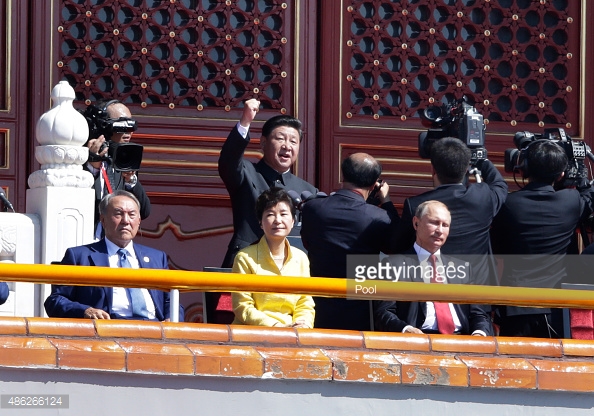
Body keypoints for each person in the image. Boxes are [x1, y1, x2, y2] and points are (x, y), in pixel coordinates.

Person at [215, 99, 317, 323]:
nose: (287, 146)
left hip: (290, 273)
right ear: (262, 143)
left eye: (293, 141)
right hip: (246, 267)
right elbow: (228, 162)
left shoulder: (308, 191)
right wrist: (245, 121)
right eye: (280, 138)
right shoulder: (247, 173)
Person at [491, 139, 593, 338]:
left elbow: (497, 248)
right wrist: (580, 173)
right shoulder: (571, 201)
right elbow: (589, 196)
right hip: (557, 306)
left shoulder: (509, 204)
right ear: (562, 173)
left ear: (524, 168)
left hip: (516, 307)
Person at [44, 190, 182, 321]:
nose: (126, 220)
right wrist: (85, 311)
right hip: (106, 329)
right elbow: (55, 301)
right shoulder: (79, 256)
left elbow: (171, 301)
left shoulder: (157, 257)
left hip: (154, 330)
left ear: (139, 221)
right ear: (103, 220)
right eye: (118, 214)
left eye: (132, 214)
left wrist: (172, 319)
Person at [300, 153, 399, 331]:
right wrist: (387, 202)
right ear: (374, 183)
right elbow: (395, 246)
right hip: (360, 310)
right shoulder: (379, 216)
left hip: (317, 304)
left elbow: (307, 242)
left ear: (342, 174)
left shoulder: (313, 208)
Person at [391, 137, 508, 286]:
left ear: (433, 169)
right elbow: (500, 185)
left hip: (432, 289)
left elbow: (397, 245)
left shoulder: (416, 205)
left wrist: (387, 203)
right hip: (478, 296)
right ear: (466, 169)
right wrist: (482, 160)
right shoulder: (483, 197)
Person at [374, 201, 493, 336]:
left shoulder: (462, 268)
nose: (440, 230)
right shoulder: (392, 265)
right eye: (434, 223)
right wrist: (406, 329)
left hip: (461, 340)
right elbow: (384, 312)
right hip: (417, 340)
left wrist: (478, 334)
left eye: (445, 225)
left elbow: (478, 314)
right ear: (416, 223)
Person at [231, 187, 315, 328]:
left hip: (293, 332)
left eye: (283, 214)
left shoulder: (301, 258)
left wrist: (303, 325)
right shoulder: (245, 258)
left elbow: (305, 303)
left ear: (293, 221)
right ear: (260, 222)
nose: (277, 220)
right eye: (270, 214)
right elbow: (243, 307)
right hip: (253, 332)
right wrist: (276, 326)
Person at [84, 100, 151, 234]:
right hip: (85, 239)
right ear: (104, 126)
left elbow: (144, 211)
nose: (128, 133)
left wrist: (130, 181)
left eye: (131, 126)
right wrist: (93, 169)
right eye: (122, 126)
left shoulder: (124, 158)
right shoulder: (81, 154)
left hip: (113, 243)